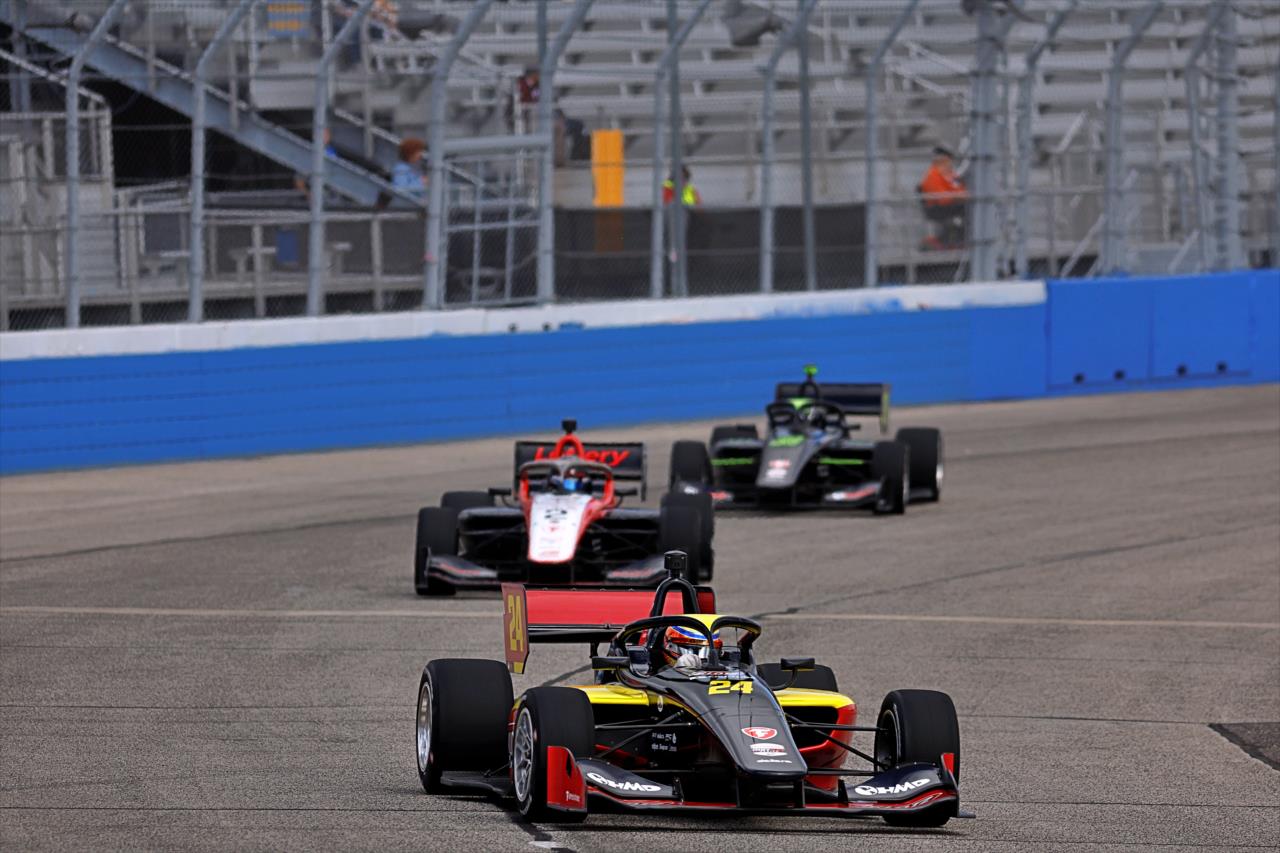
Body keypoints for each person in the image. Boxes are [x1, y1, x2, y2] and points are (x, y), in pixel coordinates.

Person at [918, 145, 966, 249]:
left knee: (969, 208)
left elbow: (959, 190)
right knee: (967, 209)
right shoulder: (933, 175)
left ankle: (959, 239)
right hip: (937, 208)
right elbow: (941, 198)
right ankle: (956, 241)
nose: (950, 164)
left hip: (948, 206)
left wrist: (961, 196)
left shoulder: (949, 176)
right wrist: (958, 196)